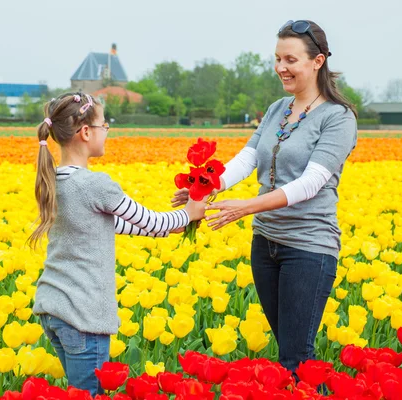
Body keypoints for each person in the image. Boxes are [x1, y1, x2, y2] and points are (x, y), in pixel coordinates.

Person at [173, 20, 357, 374]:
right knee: (287, 348)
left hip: (308, 246)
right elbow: (249, 157)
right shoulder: (278, 109)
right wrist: (207, 185)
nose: (280, 68)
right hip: (267, 243)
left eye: (290, 59)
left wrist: (246, 207)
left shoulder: (338, 117)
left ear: (318, 62)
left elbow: (311, 183)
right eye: (277, 59)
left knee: (296, 357)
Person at [30, 93, 206, 395]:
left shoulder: (54, 180)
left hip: (55, 310)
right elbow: (148, 220)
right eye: (104, 125)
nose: (107, 131)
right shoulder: (94, 184)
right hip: (83, 316)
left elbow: (111, 225)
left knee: (77, 392)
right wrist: (188, 213)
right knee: (90, 395)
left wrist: (172, 228)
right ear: (86, 132)